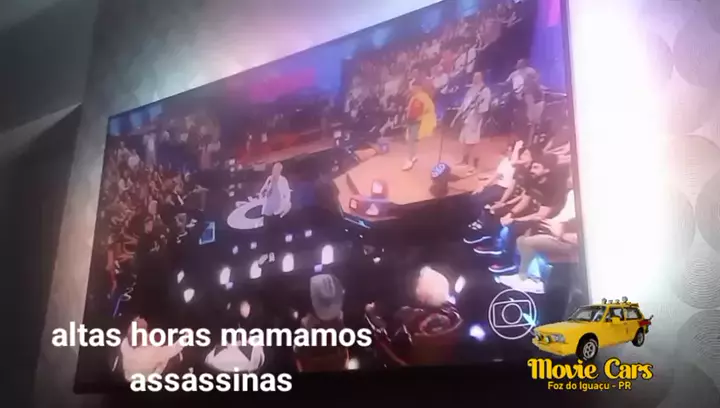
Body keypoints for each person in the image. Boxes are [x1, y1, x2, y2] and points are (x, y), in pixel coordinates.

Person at [494, 177, 577, 294]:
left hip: (571, 241)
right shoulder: (571, 194)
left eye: (571, 176)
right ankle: (522, 273)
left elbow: (580, 237)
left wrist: (561, 233)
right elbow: (560, 216)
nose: (568, 179)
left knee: (527, 242)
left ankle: (535, 280)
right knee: (529, 230)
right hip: (560, 231)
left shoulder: (583, 199)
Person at [295, 274, 348, 372]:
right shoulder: (307, 322)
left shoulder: (339, 317)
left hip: (335, 363)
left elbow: (344, 345)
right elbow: (300, 352)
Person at [119, 317, 184, 381]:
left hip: (129, 377)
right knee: (171, 358)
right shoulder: (153, 352)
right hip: (145, 379)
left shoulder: (124, 343)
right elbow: (175, 348)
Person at [452, 72, 491, 176]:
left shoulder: (485, 90)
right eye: (473, 77)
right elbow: (464, 104)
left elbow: (484, 108)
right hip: (466, 118)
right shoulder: (471, 89)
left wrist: (477, 121)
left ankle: (474, 166)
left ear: (481, 78)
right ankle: (464, 160)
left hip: (475, 119)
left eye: (476, 77)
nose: (474, 78)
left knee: (474, 143)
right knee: (465, 141)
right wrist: (456, 117)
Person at [258, 162, 292, 265]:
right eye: (274, 169)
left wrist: (285, 207)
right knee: (266, 233)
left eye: (277, 170)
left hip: (277, 210)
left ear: (280, 171)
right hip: (268, 209)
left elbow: (287, 195)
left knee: (274, 234)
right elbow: (262, 191)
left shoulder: (283, 180)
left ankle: (272, 253)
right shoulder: (269, 179)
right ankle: (265, 254)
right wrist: (265, 192)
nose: (274, 171)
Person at [403, 80, 437, 171]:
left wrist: (417, 116)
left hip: (416, 121)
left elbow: (421, 110)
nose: (411, 89)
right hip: (412, 121)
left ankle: (410, 160)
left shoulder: (421, 98)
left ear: (417, 87)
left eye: (412, 87)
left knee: (411, 140)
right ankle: (413, 156)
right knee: (412, 140)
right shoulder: (415, 97)